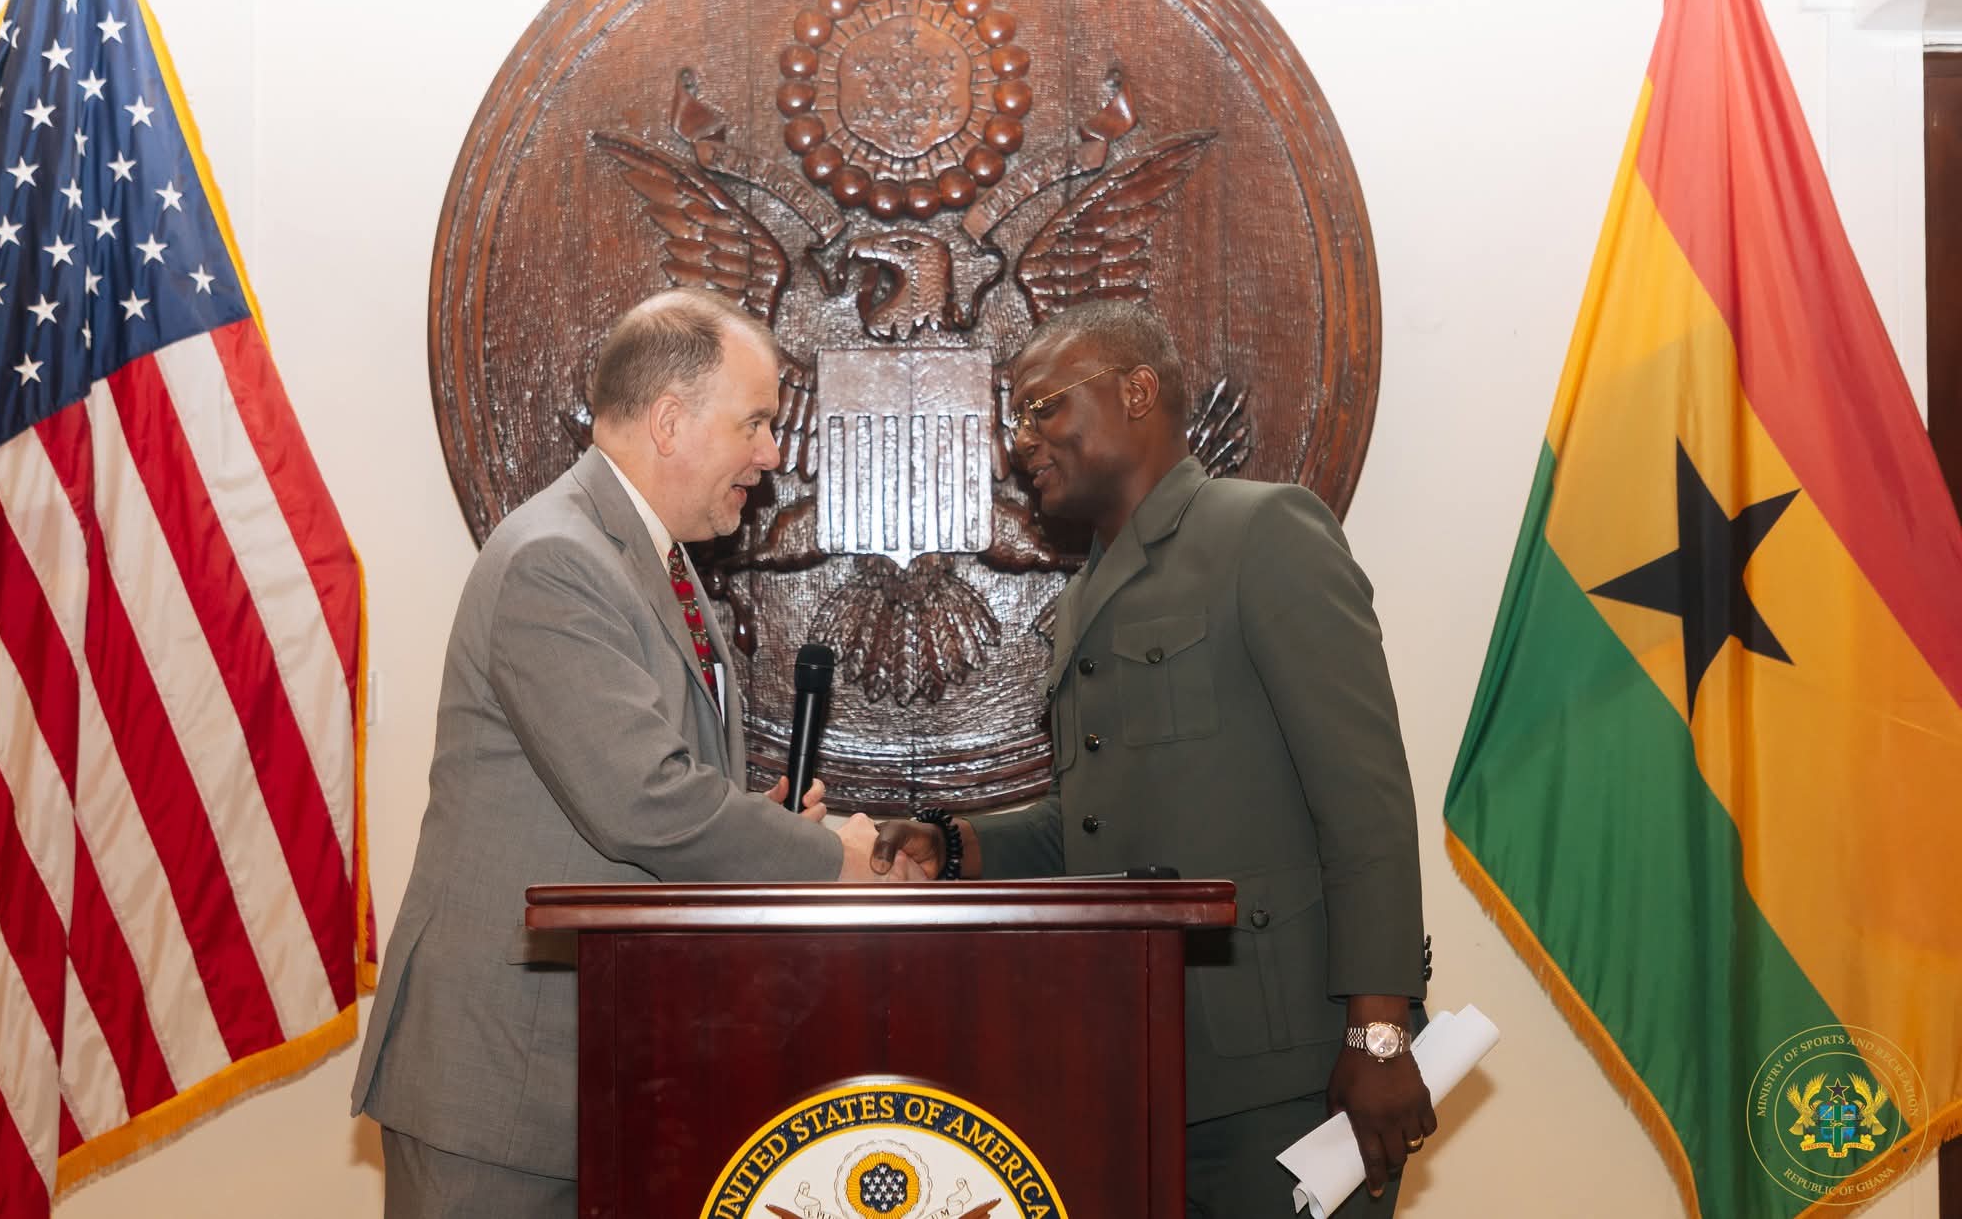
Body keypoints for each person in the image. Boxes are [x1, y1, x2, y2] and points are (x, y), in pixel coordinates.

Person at [353, 289, 914, 1217]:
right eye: (755, 423)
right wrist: (826, 858)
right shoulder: (556, 558)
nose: (771, 455)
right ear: (669, 421)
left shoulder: (654, 558)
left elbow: (647, 784)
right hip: (504, 1083)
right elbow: (644, 802)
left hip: (599, 1062)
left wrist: (753, 825)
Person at [872, 300, 1432, 1215]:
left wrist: (1380, 1032)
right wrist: (958, 843)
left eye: (1043, 406)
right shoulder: (1088, 592)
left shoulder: (1263, 531)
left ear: (1137, 392)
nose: (1021, 439)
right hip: (1144, 1064)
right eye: (1015, 417)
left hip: (1288, 1074)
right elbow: (1096, 823)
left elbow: (1365, 799)